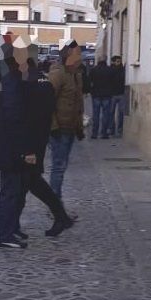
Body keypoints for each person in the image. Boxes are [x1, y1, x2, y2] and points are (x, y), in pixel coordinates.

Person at [21, 57, 73, 237]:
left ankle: (60, 215)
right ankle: (7, 220)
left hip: (31, 140)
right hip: (32, 140)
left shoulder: (36, 82)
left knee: (29, 181)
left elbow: (37, 112)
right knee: (26, 182)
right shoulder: (34, 80)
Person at [0, 53, 30, 249]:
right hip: (9, 145)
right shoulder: (12, 78)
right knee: (10, 191)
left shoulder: (11, 76)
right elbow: (13, 113)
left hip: (8, 143)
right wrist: (22, 146)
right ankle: (4, 234)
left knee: (13, 189)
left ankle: (8, 228)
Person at [47, 41, 86, 200]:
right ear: (68, 56)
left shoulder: (76, 75)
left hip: (69, 128)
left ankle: (56, 204)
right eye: (77, 54)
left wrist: (79, 128)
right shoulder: (58, 73)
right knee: (58, 167)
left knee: (61, 167)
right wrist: (53, 126)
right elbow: (47, 101)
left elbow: (78, 103)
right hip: (59, 129)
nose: (80, 58)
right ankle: (55, 206)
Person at [88, 59, 115, 139]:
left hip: (96, 94)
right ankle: (104, 133)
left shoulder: (93, 70)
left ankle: (94, 133)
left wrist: (91, 91)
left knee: (96, 114)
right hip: (107, 95)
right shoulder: (110, 70)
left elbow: (89, 81)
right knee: (105, 115)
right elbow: (113, 82)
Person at [109, 55, 127, 138]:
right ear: (113, 62)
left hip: (120, 93)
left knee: (120, 113)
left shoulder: (122, 70)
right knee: (111, 113)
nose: (119, 63)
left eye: (120, 61)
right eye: (117, 61)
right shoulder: (111, 70)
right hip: (113, 94)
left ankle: (119, 130)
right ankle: (112, 129)